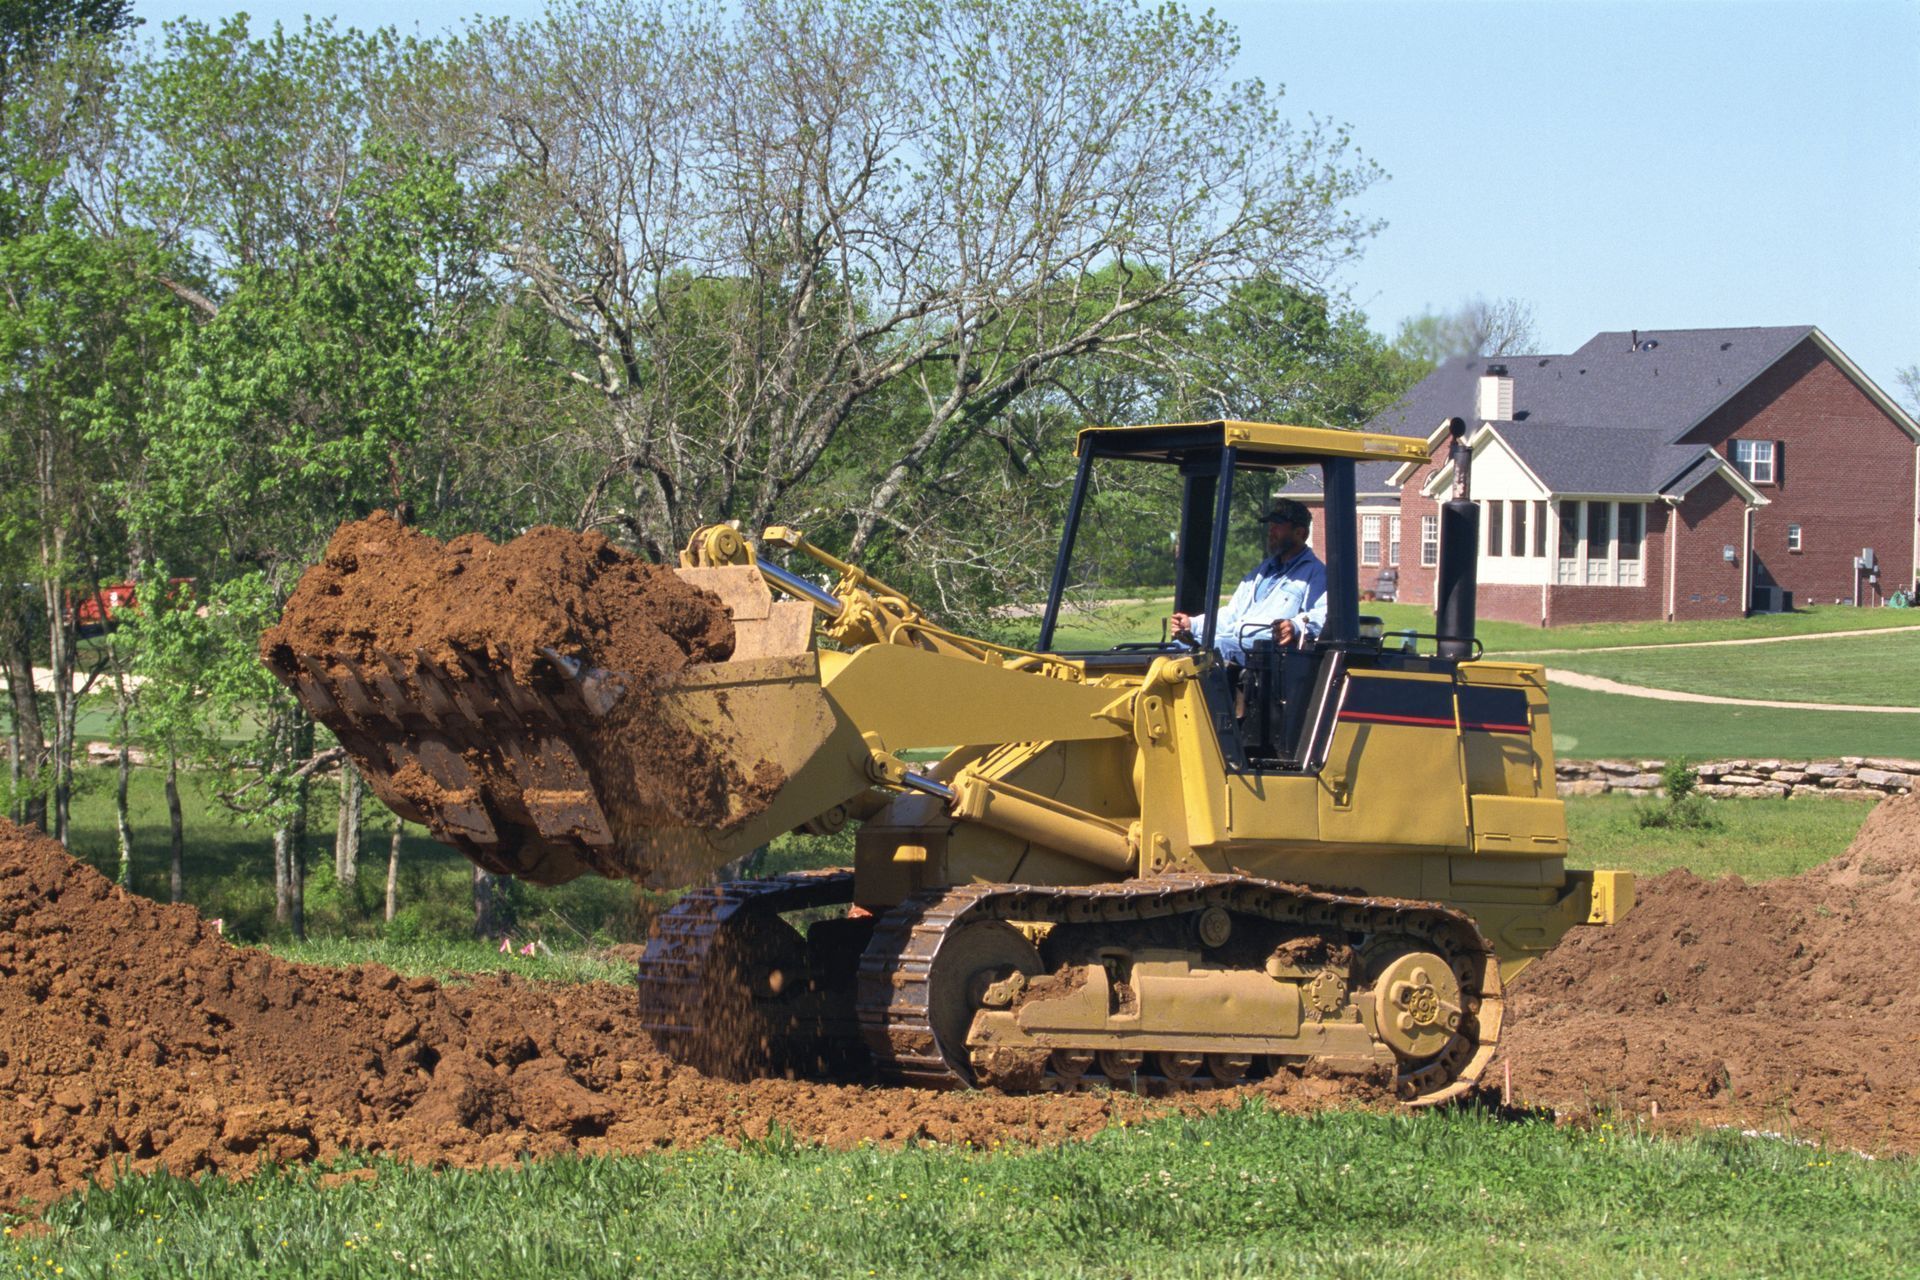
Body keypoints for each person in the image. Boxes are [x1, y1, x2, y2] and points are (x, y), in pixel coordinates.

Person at [1170, 499, 1327, 665]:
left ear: (1300, 533)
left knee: (1214, 650)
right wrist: (1193, 624)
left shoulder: (1315, 573)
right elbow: (1232, 614)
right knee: (1175, 648)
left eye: (1278, 525)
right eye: (1270, 524)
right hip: (1235, 641)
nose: (1271, 530)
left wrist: (1294, 626)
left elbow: (1324, 614)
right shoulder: (1261, 572)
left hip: (1270, 653)